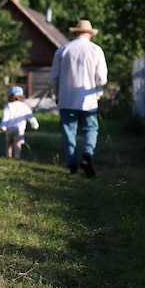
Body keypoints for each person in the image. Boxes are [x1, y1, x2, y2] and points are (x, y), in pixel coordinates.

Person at [50, 20, 108, 177]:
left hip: (67, 99)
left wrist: (56, 96)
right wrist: (98, 93)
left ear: (75, 33)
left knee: (69, 131)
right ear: (90, 34)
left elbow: (54, 77)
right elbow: (102, 78)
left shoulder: (63, 50)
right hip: (88, 100)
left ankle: (72, 166)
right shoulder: (96, 50)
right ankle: (87, 157)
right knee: (90, 129)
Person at [0, 86, 39, 160]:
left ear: (10, 96)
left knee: (9, 142)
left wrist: (3, 126)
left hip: (9, 128)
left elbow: (5, 117)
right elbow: (30, 116)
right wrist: (35, 125)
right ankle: (17, 156)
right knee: (18, 143)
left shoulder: (9, 105)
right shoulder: (24, 106)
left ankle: (9, 155)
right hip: (19, 129)